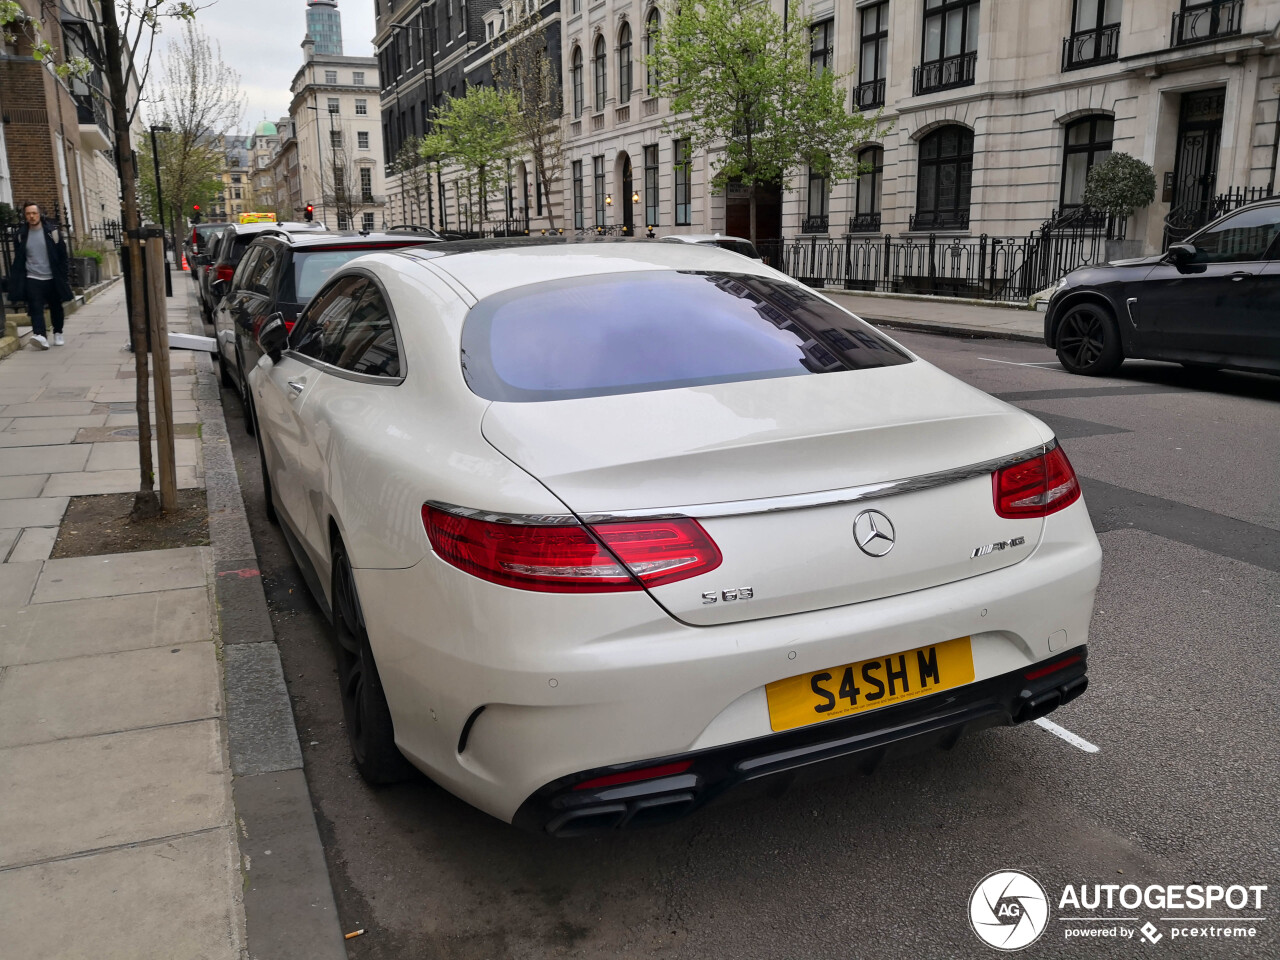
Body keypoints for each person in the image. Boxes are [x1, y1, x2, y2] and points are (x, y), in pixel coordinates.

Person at [9, 202, 73, 350]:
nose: (31, 216)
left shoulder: (53, 233)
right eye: (28, 214)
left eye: (34, 213)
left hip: (52, 277)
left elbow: (63, 256)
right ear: (25, 216)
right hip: (33, 277)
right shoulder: (21, 235)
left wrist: (63, 275)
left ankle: (58, 332)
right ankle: (40, 335)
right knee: (35, 307)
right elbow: (19, 258)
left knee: (56, 306)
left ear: (40, 214)